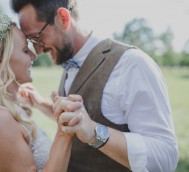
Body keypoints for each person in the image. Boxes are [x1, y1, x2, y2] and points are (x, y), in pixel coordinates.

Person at [11, 0, 179, 171]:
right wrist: (41, 104)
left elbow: (166, 158)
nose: (37, 50)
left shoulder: (132, 64)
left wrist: (94, 132)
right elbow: (78, 120)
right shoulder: (68, 60)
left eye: (37, 37)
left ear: (63, 18)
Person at [0, 15, 77, 172]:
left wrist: (40, 104)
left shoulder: (6, 111)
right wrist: (64, 135)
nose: (34, 56)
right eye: (25, 50)